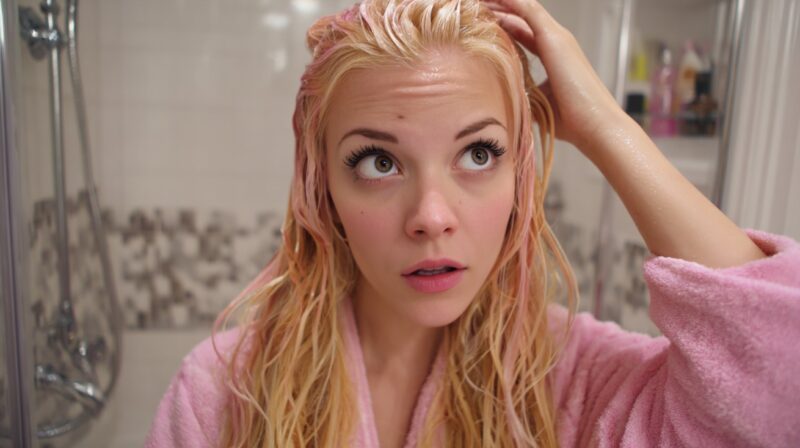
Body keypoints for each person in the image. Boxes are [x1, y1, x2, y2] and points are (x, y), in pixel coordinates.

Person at [144, 0, 800, 446]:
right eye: (377, 161)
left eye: (479, 154)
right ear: (323, 182)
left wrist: (605, 127)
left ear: (521, 169)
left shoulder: (575, 382)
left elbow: (776, 393)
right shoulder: (223, 393)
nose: (432, 217)